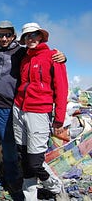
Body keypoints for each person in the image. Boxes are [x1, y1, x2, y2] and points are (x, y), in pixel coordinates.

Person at [0, 0, 66, 200]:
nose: (4, 38)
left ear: (13, 36)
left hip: (8, 110)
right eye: (0, 35)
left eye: (8, 35)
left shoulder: (21, 53)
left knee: (9, 150)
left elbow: (41, 56)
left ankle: (13, 181)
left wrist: (62, 57)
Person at [12, 22, 68, 200]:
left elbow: (62, 88)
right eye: (27, 36)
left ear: (41, 36)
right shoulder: (25, 58)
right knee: (24, 156)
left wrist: (58, 118)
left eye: (34, 34)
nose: (30, 38)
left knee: (35, 162)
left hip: (39, 112)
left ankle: (56, 186)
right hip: (18, 110)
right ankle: (30, 196)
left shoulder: (53, 57)